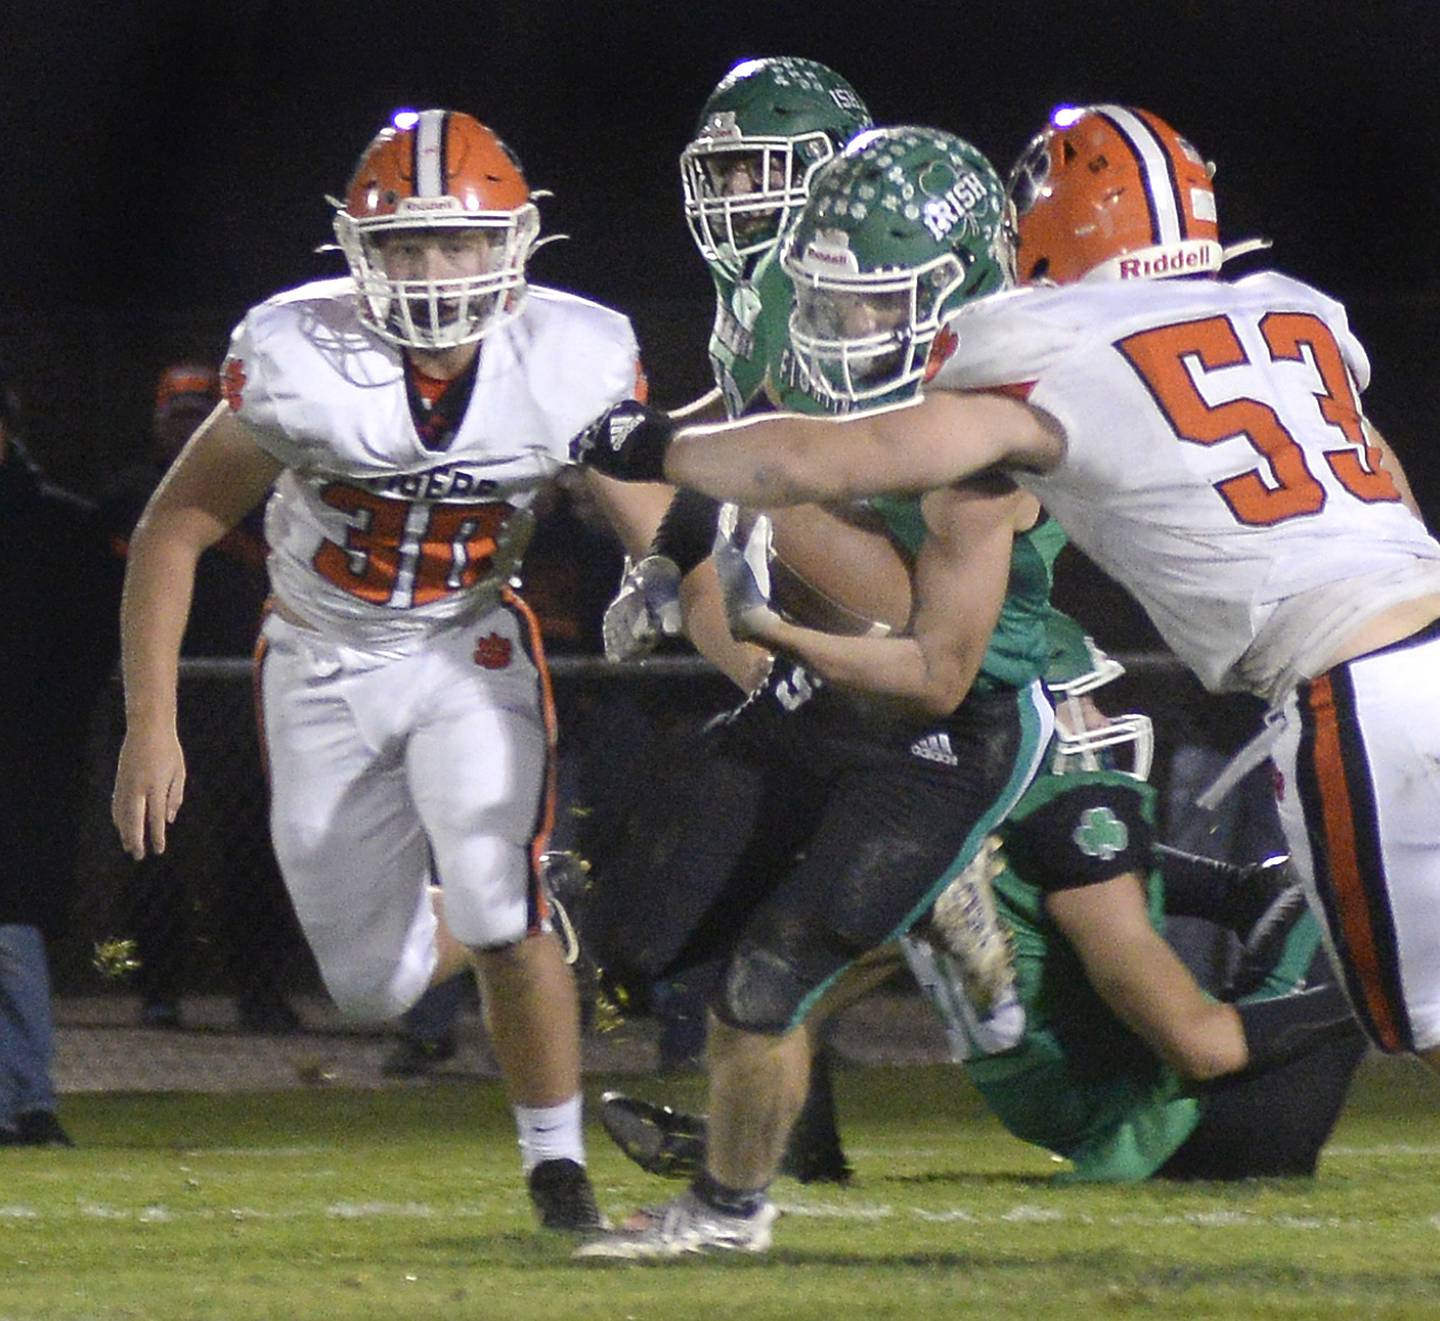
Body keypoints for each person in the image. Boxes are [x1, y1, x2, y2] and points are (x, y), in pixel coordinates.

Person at [575, 104, 1440, 1077]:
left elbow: (851, 451)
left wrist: (657, 446)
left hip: (1359, 692)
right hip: (1425, 631)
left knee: (1419, 1018)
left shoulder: (1049, 338)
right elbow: (1380, 471)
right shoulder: (1290, 308)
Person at [110, 109, 664, 1230]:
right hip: (319, 656)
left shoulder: (570, 357)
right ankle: (519, 903)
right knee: (370, 983)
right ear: (362, 252)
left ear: (512, 244)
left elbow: (663, 528)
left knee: (496, 896)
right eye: (406, 245)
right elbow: (174, 531)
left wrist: (714, 621)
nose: (431, 270)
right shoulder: (302, 356)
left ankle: (557, 1168)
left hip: (470, 645)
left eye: (456, 243)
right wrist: (151, 722)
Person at [573, 127, 1057, 1261]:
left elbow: (934, 669)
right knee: (640, 934)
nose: (846, 331)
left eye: (877, 307)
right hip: (829, 690)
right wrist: (660, 556)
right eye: (833, 302)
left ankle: (728, 1208)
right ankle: (781, 1073)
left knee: (767, 977)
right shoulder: (809, 353)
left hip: (948, 725)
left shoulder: (982, 450)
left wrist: (769, 623)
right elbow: (736, 460)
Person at [598, 618, 1366, 1184]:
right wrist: (1383, 996)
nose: (1099, 718)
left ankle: (773, 1150)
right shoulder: (1079, 814)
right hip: (1193, 1128)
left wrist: (761, 1142)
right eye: (1085, 699)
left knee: (801, 983)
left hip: (1048, 1099)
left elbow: (795, 1008)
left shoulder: (910, 827)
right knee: (1344, 902)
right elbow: (1198, 1043)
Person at [100, 362, 301, 1033]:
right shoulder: (131, 492)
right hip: (163, 694)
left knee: (254, 849)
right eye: (176, 412)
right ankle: (159, 990)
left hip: (243, 695)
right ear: (157, 420)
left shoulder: (255, 484)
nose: (187, 423)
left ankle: (261, 991)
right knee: (154, 849)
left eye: (199, 412)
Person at [1, 369, 121, 1146]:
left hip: (25, 756)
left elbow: (84, 647)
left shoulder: (58, 526)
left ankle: (29, 1097)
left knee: (11, 924)